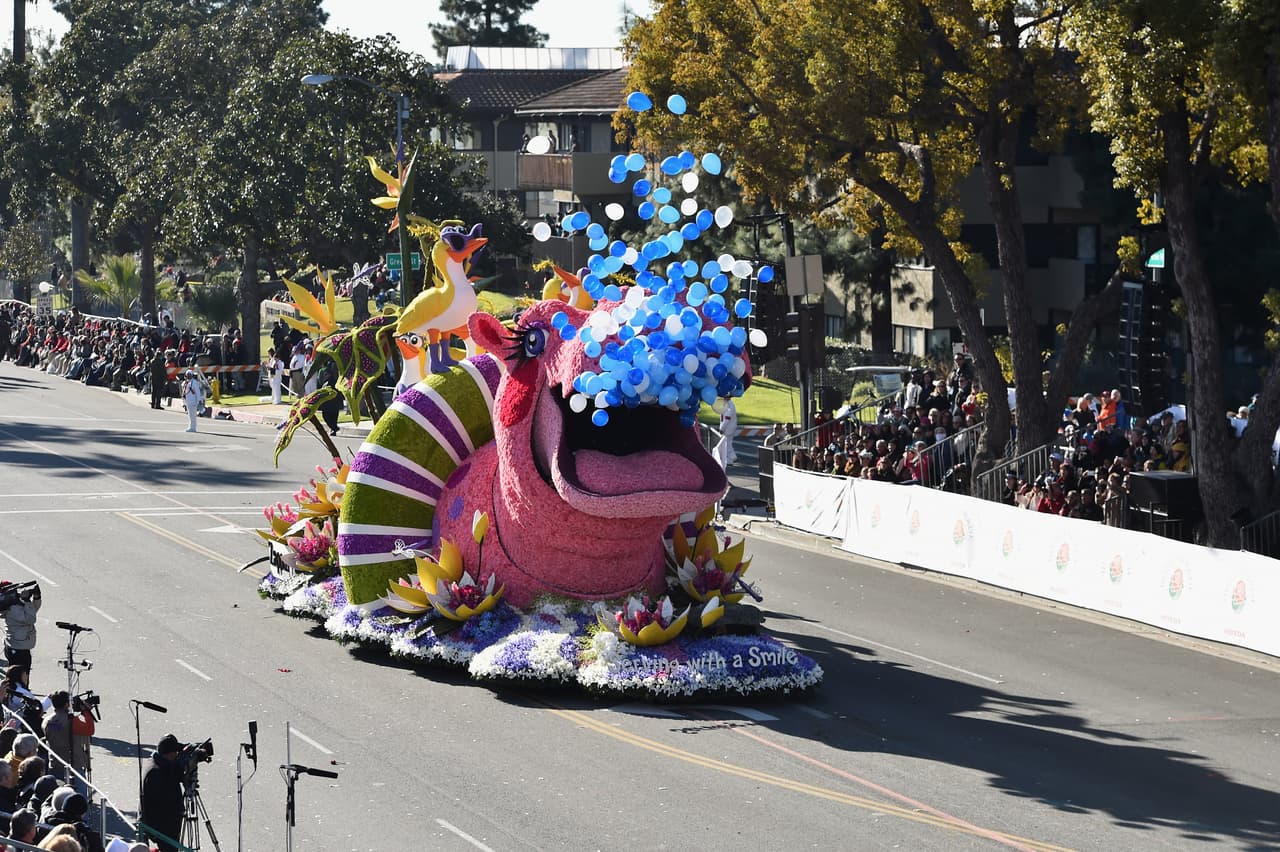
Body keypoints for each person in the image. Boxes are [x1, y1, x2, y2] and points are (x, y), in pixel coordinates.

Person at [140, 734, 184, 852]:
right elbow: (168, 801)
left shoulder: (155, 761)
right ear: (170, 754)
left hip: (159, 824)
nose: (177, 755)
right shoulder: (156, 772)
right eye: (175, 753)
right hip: (162, 828)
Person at [1, 582, 40, 670]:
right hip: (18, 650)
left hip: (19, 647)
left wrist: (36, 598)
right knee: (19, 679)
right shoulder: (12, 609)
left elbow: (32, 611)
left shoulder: (14, 604)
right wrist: (26, 600)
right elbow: (30, 618)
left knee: (19, 678)